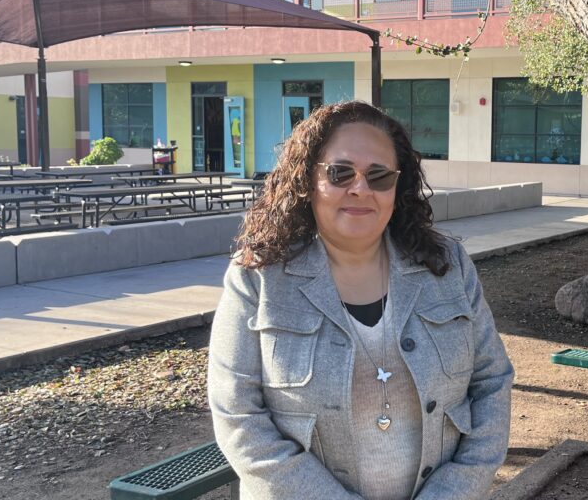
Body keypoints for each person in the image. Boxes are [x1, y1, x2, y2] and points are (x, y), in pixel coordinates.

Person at [208, 101, 514, 500]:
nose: (360, 188)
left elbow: (492, 382)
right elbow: (239, 417)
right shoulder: (258, 277)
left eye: (378, 176)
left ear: (397, 187)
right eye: (340, 172)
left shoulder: (447, 266)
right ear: (306, 179)